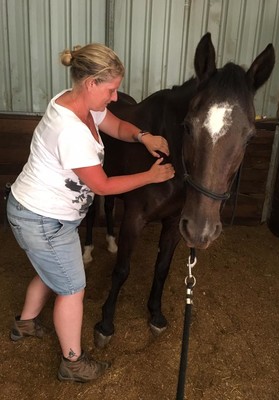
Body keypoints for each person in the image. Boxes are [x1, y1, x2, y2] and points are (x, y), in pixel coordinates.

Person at [6, 43, 175, 383]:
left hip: (42, 213)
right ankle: (73, 362)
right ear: (91, 83)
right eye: (111, 89)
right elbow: (103, 186)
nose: (116, 97)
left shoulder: (79, 104)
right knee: (72, 287)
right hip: (41, 218)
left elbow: (115, 124)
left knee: (52, 269)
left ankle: (24, 324)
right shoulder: (70, 131)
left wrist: (143, 136)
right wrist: (150, 176)